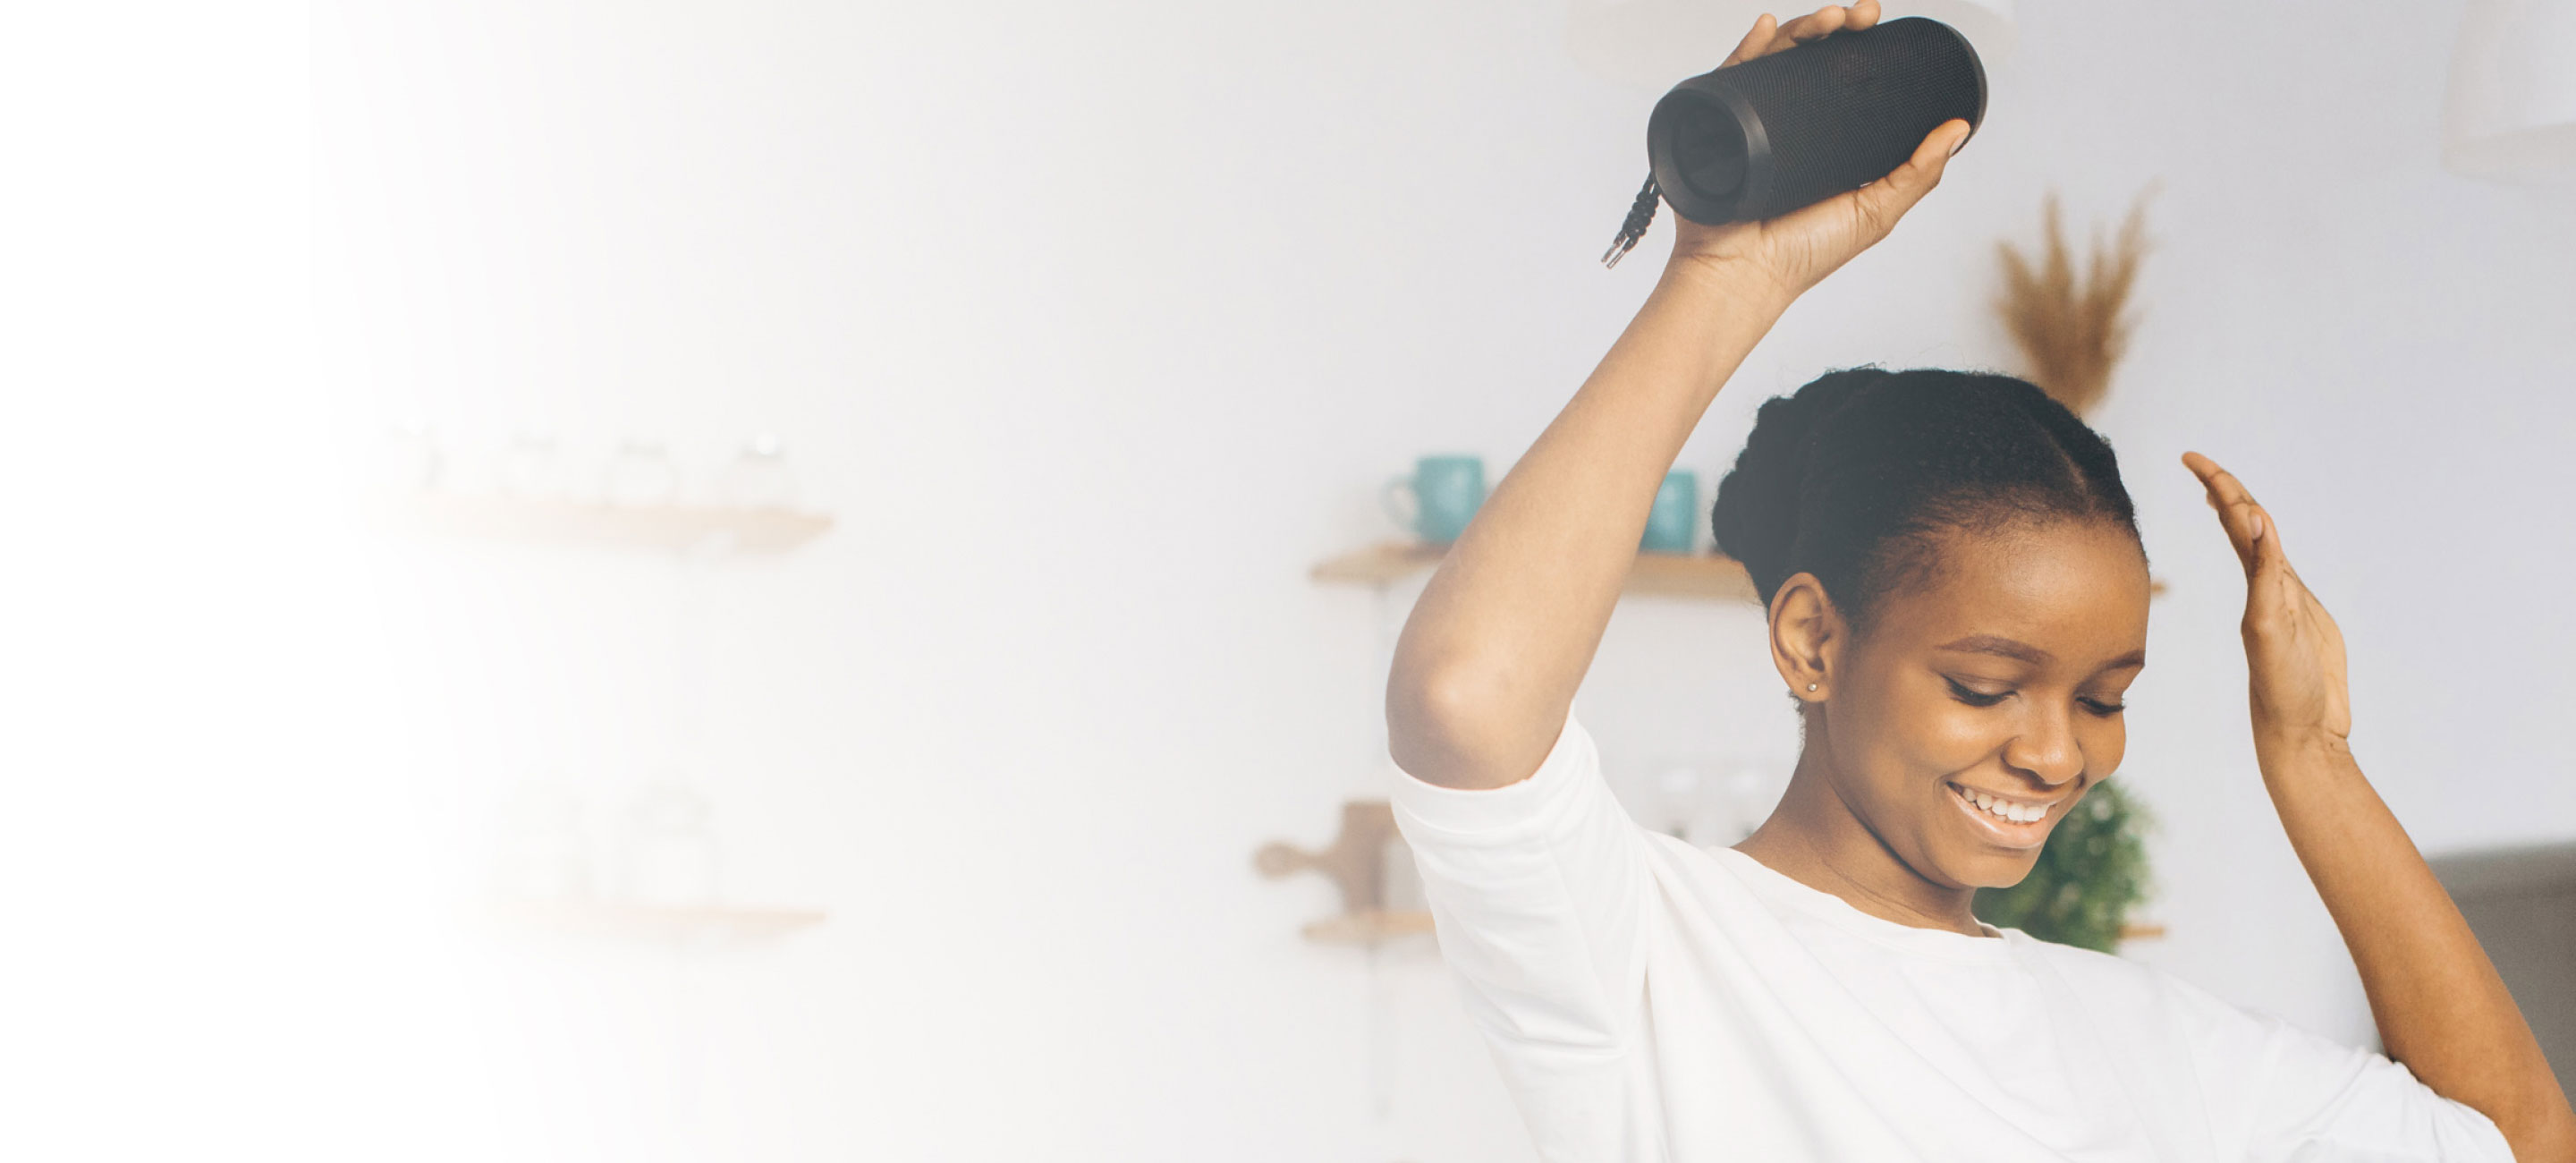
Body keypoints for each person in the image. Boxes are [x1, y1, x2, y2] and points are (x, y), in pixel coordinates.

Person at [1380, 4, 2576, 1160]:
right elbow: (1464, 696)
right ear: (1811, 639)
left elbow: (2517, 1146)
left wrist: (2314, 756)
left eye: (2103, 699)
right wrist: (1723, 281)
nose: (2059, 756)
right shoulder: (1649, 955)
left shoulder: (2150, 1046)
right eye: (1988, 683)